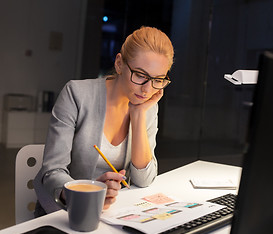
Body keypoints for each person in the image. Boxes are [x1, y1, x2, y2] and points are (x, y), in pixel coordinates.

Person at [34, 26, 174, 216]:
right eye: (140, 75)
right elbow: (52, 171)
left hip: (114, 213)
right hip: (66, 212)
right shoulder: (77, 94)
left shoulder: (148, 105)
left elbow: (144, 179)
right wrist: (89, 193)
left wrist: (138, 114)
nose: (147, 90)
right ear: (119, 64)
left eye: (158, 79)